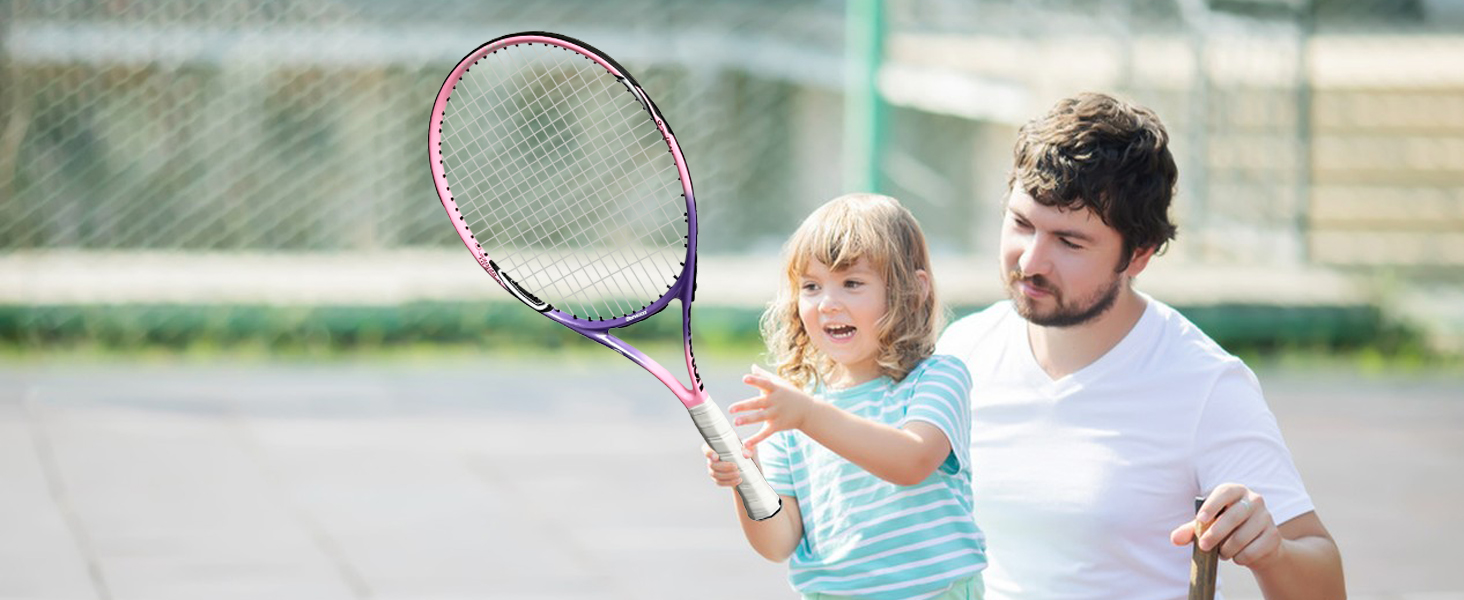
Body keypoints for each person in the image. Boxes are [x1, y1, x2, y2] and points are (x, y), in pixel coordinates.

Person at [935, 92, 1345, 599]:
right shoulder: (964, 349)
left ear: (1139, 256)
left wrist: (1273, 552)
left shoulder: (1206, 384)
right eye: (1021, 223)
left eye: (1069, 242)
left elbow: (1325, 584)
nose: (1032, 261)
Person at [705, 193, 987, 600]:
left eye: (852, 283)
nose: (828, 304)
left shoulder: (937, 378)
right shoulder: (794, 409)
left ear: (912, 291)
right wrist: (745, 481)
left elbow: (911, 461)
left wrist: (807, 416)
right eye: (811, 286)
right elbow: (778, 542)